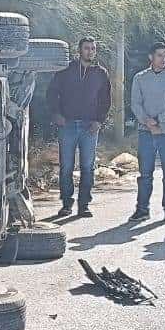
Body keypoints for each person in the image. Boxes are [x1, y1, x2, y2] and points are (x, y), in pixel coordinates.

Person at [47, 36, 113, 218]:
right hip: (67, 124)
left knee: (87, 166)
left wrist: (99, 121)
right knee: (66, 166)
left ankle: (84, 205)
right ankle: (66, 204)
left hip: (89, 126)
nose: (90, 51)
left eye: (93, 48)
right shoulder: (66, 70)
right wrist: (56, 114)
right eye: (86, 48)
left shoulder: (101, 73)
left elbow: (105, 100)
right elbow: (52, 92)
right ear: (79, 50)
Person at [128, 42, 165, 222]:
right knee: (145, 173)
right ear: (151, 57)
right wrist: (147, 121)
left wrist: (161, 120)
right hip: (146, 131)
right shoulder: (140, 78)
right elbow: (135, 103)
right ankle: (142, 209)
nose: (163, 59)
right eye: (159, 55)